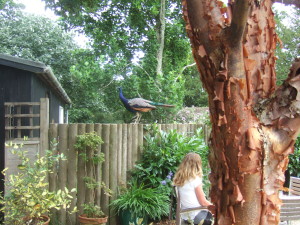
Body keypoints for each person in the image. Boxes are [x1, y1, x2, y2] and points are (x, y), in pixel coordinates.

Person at [173, 152, 214, 225]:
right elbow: (203, 202)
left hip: (185, 215)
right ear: (198, 165)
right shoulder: (195, 180)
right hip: (197, 215)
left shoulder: (180, 180)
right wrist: (215, 207)